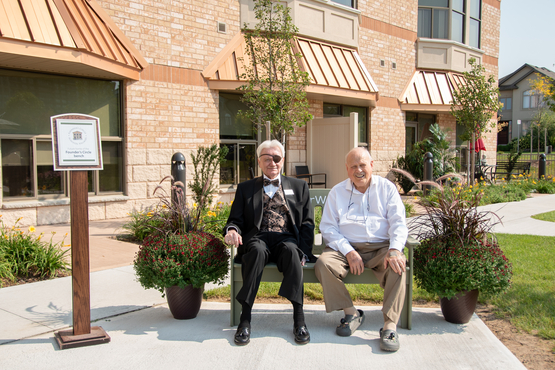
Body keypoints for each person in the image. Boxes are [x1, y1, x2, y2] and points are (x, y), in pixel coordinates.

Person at [314, 147, 408, 352]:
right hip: (345, 249)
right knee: (323, 264)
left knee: (398, 265)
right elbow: (328, 227)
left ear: (372, 166)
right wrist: (348, 251)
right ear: (347, 169)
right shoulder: (337, 192)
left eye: (363, 165)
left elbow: (398, 223)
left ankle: (389, 326)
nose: (359, 170)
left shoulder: (386, 189)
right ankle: (351, 313)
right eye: (353, 166)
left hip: (380, 248)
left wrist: (394, 249)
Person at [224, 139, 315, 346]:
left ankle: (299, 320)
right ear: (259, 161)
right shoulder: (246, 188)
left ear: (282, 160)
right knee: (255, 251)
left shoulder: (299, 186)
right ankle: (245, 321)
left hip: (287, 239)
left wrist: (305, 252)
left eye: (276, 158)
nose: (272, 162)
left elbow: (308, 223)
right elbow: (234, 221)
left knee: (292, 252)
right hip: (258, 239)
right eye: (267, 158)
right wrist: (231, 230)